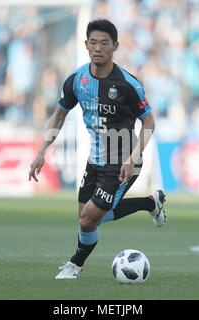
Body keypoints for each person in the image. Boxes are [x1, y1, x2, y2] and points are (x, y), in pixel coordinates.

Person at [28, 19, 166, 279]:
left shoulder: (127, 84)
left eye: (104, 43)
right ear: (86, 45)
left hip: (123, 162)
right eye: (93, 43)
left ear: (115, 46)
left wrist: (134, 156)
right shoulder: (76, 80)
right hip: (95, 162)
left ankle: (74, 265)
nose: (98, 48)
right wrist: (41, 151)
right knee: (89, 219)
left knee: (88, 220)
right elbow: (59, 116)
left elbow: (149, 121)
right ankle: (151, 203)